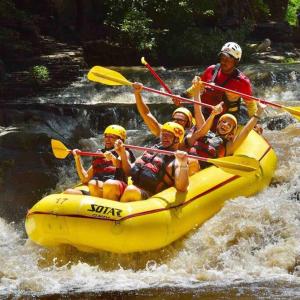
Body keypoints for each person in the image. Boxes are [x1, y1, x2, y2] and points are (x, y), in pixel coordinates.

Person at [185, 79, 265, 165]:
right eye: (223, 121)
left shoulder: (228, 146)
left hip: (200, 169)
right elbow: (198, 110)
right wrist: (196, 90)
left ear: (231, 131)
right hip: (186, 162)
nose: (225, 125)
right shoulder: (204, 132)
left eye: (229, 125)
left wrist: (259, 111)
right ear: (218, 124)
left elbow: (246, 130)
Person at [114, 122, 196, 202]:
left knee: (131, 190)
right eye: (163, 134)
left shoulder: (176, 161)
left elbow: (182, 188)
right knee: (111, 184)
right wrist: (123, 154)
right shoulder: (152, 151)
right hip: (135, 188)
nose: (164, 137)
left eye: (168, 135)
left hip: (151, 197)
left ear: (177, 139)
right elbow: (128, 171)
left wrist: (183, 164)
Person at [182, 42, 258, 128]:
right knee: (181, 113)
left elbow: (250, 104)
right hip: (205, 111)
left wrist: (255, 123)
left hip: (225, 117)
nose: (224, 62)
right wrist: (183, 95)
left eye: (228, 59)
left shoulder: (242, 81)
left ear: (235, 62)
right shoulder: (211, 70)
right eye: (222, 58)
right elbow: (198, 87)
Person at [64, 125, 135, 201]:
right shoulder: (99, 154)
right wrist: (77, 159)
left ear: (120, 140)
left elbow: (121, 166)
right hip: (96, 189)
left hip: (114, 188)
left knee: (94, 184)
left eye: (112, 137)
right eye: (106, 136)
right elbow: (85, 179)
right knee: (68, 192)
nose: (107, 139)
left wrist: (112, 158)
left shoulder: (124, 152)